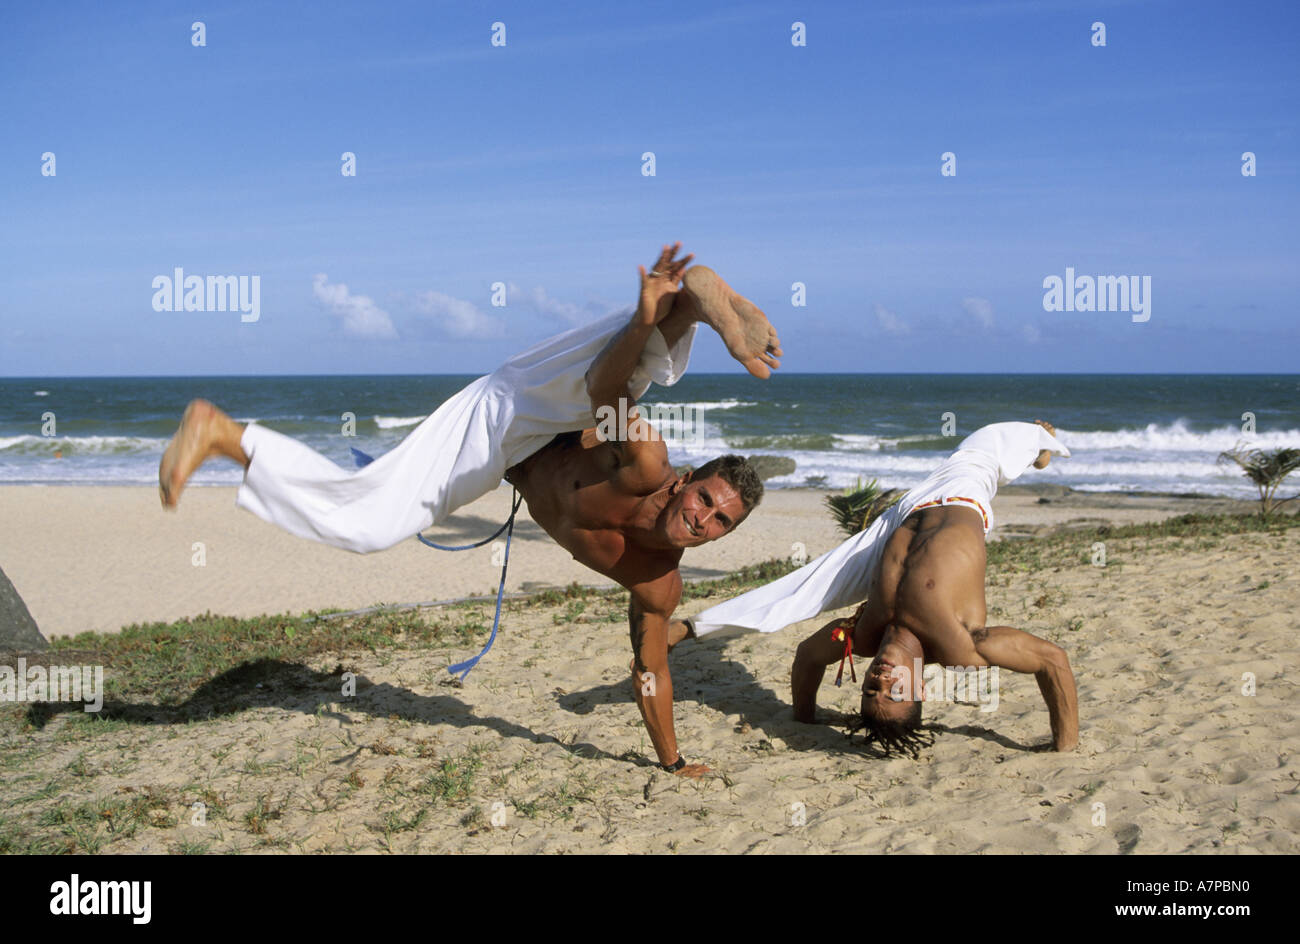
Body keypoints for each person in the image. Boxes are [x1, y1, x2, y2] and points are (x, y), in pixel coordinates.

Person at [158, 244, 781, 778]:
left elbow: (651, 669)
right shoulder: (647, 467)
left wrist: (670, 761)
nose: (705, 519)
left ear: (723, 536)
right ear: (686, 485)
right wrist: (645, 316)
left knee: (368, 526)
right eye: (706, 499)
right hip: (530, 407)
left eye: (721, 521)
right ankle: (682, 306)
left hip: (516, 446)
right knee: (619, 380)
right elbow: (601, 392)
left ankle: (684, 307)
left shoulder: (658, 584)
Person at [676, 421, 1079, 756]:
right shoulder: (964, 647)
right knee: (997, 439)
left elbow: (808, 656)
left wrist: (804, 716)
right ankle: (1038, 447)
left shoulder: (863, 634)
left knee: (802, 591)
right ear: (919, 686)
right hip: (965, 488)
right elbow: (1052, 660)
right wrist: (1066, 747)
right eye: (895, 689)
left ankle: (693, 627)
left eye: (871, 687)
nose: (882, 678)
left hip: (901, 515)